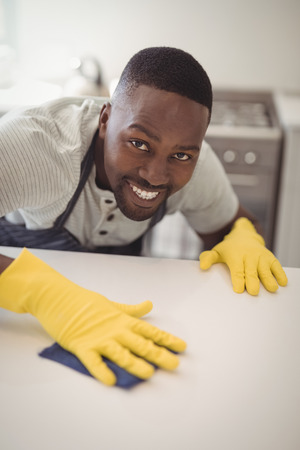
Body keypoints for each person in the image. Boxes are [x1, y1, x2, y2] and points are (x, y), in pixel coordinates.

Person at [0, 47, 287, 385]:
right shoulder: (33, 147)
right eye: (139, 144)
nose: (155, 175)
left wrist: (243, 236)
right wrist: (42, 294)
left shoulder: (199, 164)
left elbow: (236, 225)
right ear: (105, 119)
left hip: (122, 313)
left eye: (180, 154)